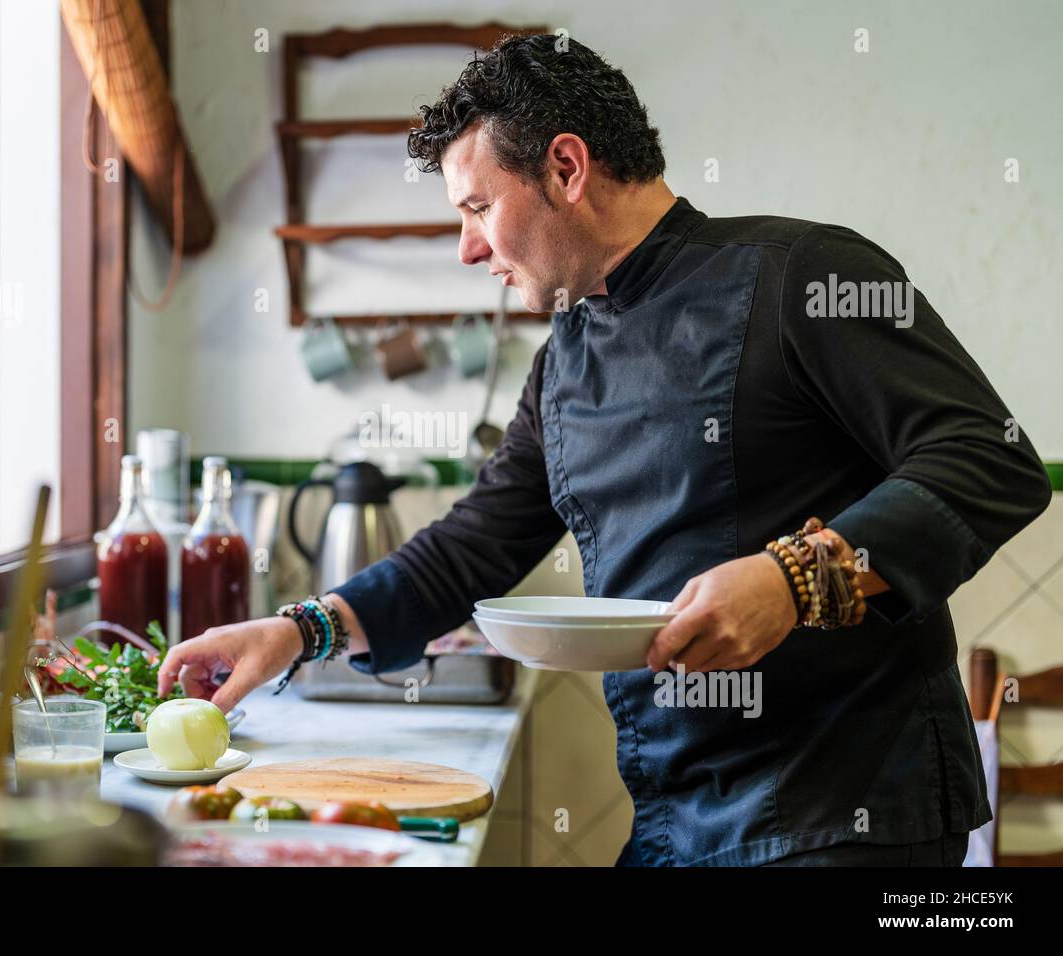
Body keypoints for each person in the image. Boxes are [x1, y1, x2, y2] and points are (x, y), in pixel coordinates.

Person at [158, 35, 1052, 867]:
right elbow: (477, 544)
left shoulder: (803, 275)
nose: (468, 248)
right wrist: (296, 631)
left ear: (566, 166)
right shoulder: (565, 361)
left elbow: (988, 457)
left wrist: (794, 577)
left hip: (842, 811)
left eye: (477, 207)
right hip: (670, 811)